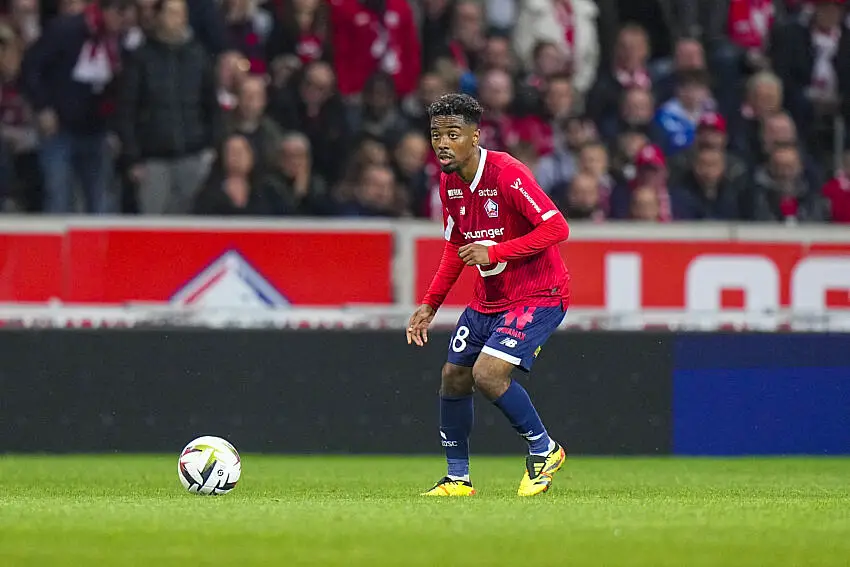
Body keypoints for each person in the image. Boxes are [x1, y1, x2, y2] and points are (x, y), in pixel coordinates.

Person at [407, 93, 571, 497]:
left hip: (539, 294)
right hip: (488, 299)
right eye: (436, 135)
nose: (442, 143)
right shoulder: (449, 183)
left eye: (453, 134)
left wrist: (495, 251)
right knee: (454, 375)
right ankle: (458, 479)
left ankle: (544, 448)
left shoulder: (508, 174)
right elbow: (455, 248)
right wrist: (430, 304)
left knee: (488, 373)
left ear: (475, 136)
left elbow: (557, 228)